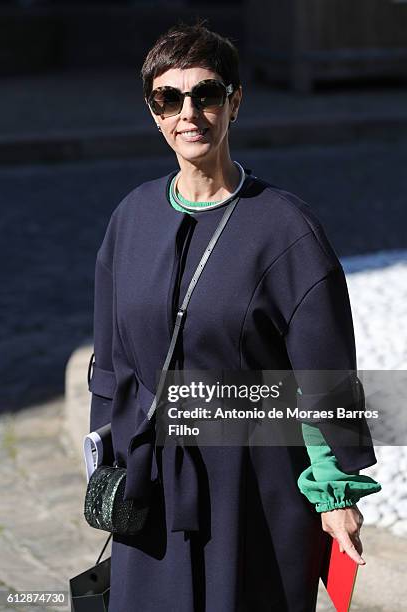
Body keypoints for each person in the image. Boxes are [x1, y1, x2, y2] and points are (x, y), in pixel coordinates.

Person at [88, 22, 381, 611]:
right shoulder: (132, 217)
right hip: (150, 488)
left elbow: (323, 378)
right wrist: (104, 462)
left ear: (235, 102)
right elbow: (111, 362)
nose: (188, 113)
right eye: (169, 99)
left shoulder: (287, 229)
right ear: (154, 112)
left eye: (207, 95)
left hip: (255, 487)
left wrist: (335, 497)